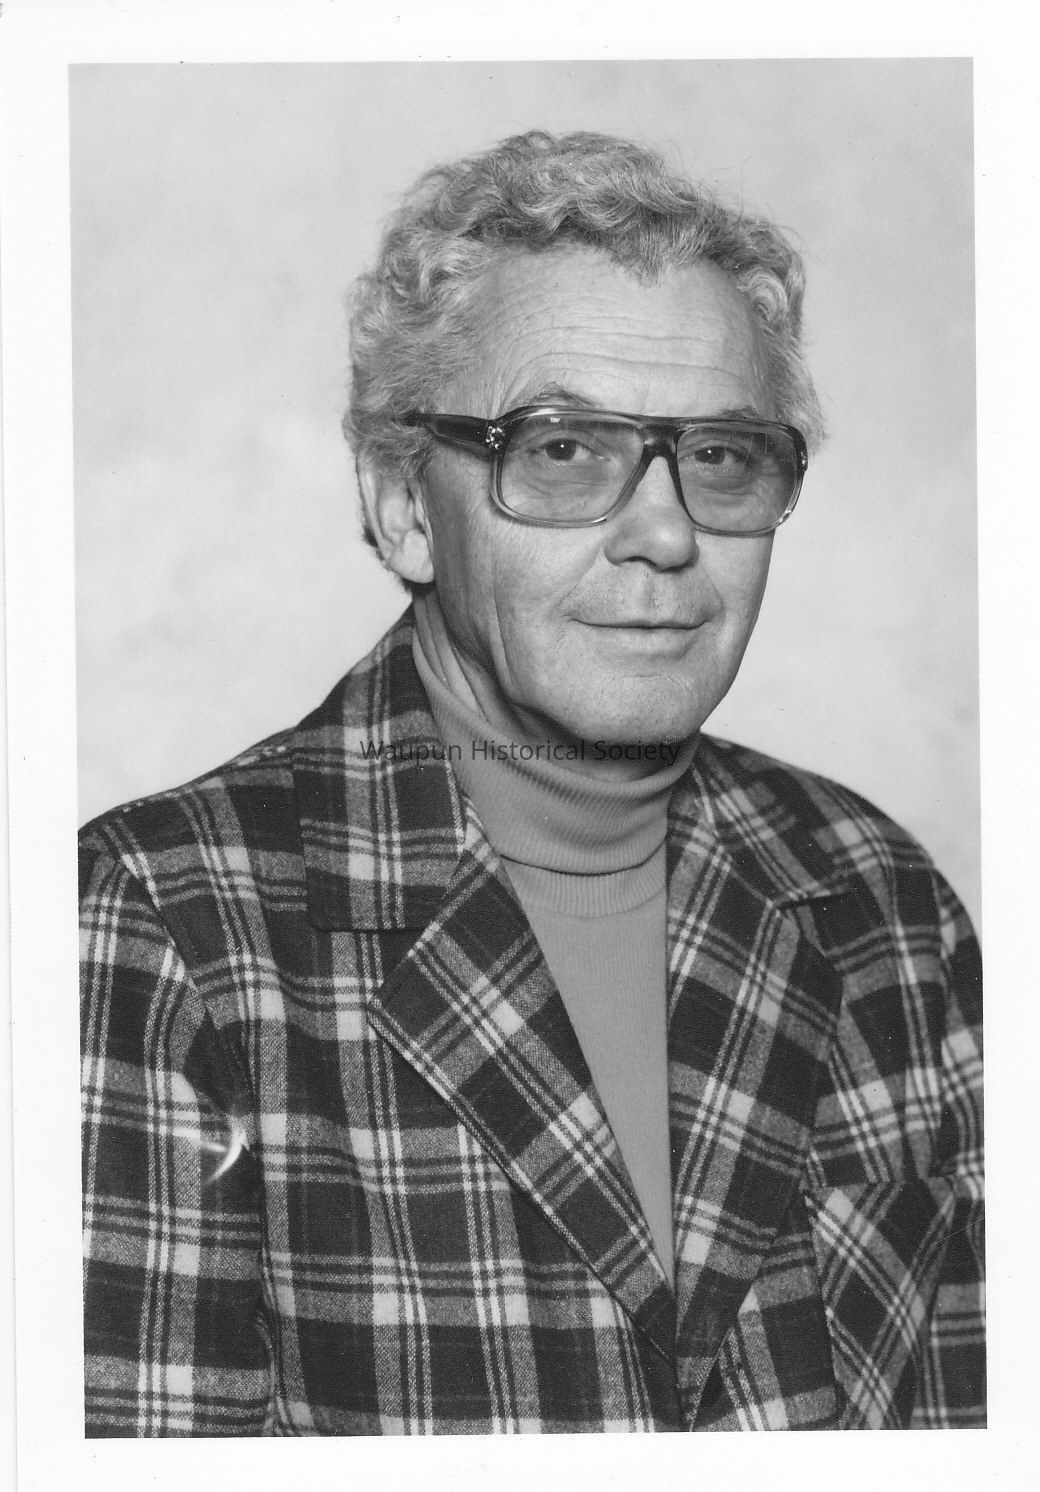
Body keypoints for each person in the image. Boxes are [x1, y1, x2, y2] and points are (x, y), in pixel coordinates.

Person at [79, 129, 984, 1434]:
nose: (665, 532)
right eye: (562, 450)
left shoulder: (884, 903)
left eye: (722, 458)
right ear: (403, 506)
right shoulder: (159, 926)